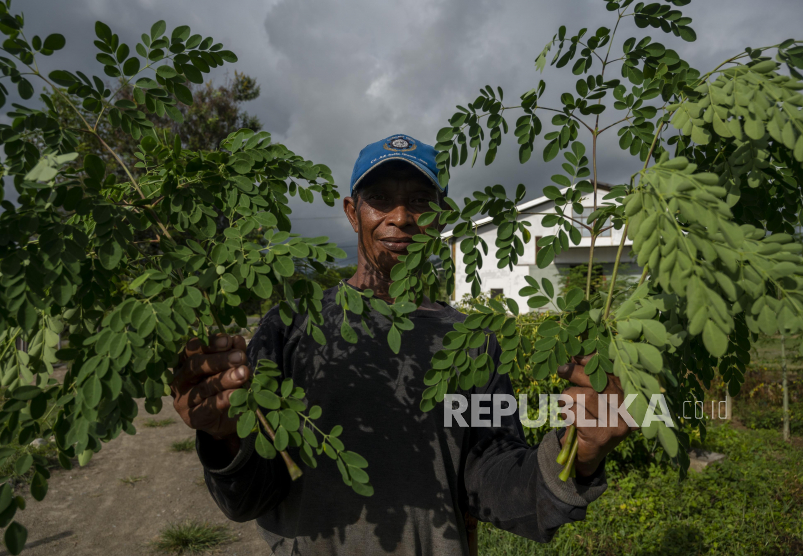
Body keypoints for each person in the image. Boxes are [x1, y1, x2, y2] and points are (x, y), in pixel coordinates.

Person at [170, 134, 633, 555]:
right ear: (353, 213)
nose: (400, 217)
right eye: (380, 200)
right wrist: (223, 436)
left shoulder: (471, 340)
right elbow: (251, 495)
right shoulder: (289, 326)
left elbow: (491, 479)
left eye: (419, 201)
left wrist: (578, 452)